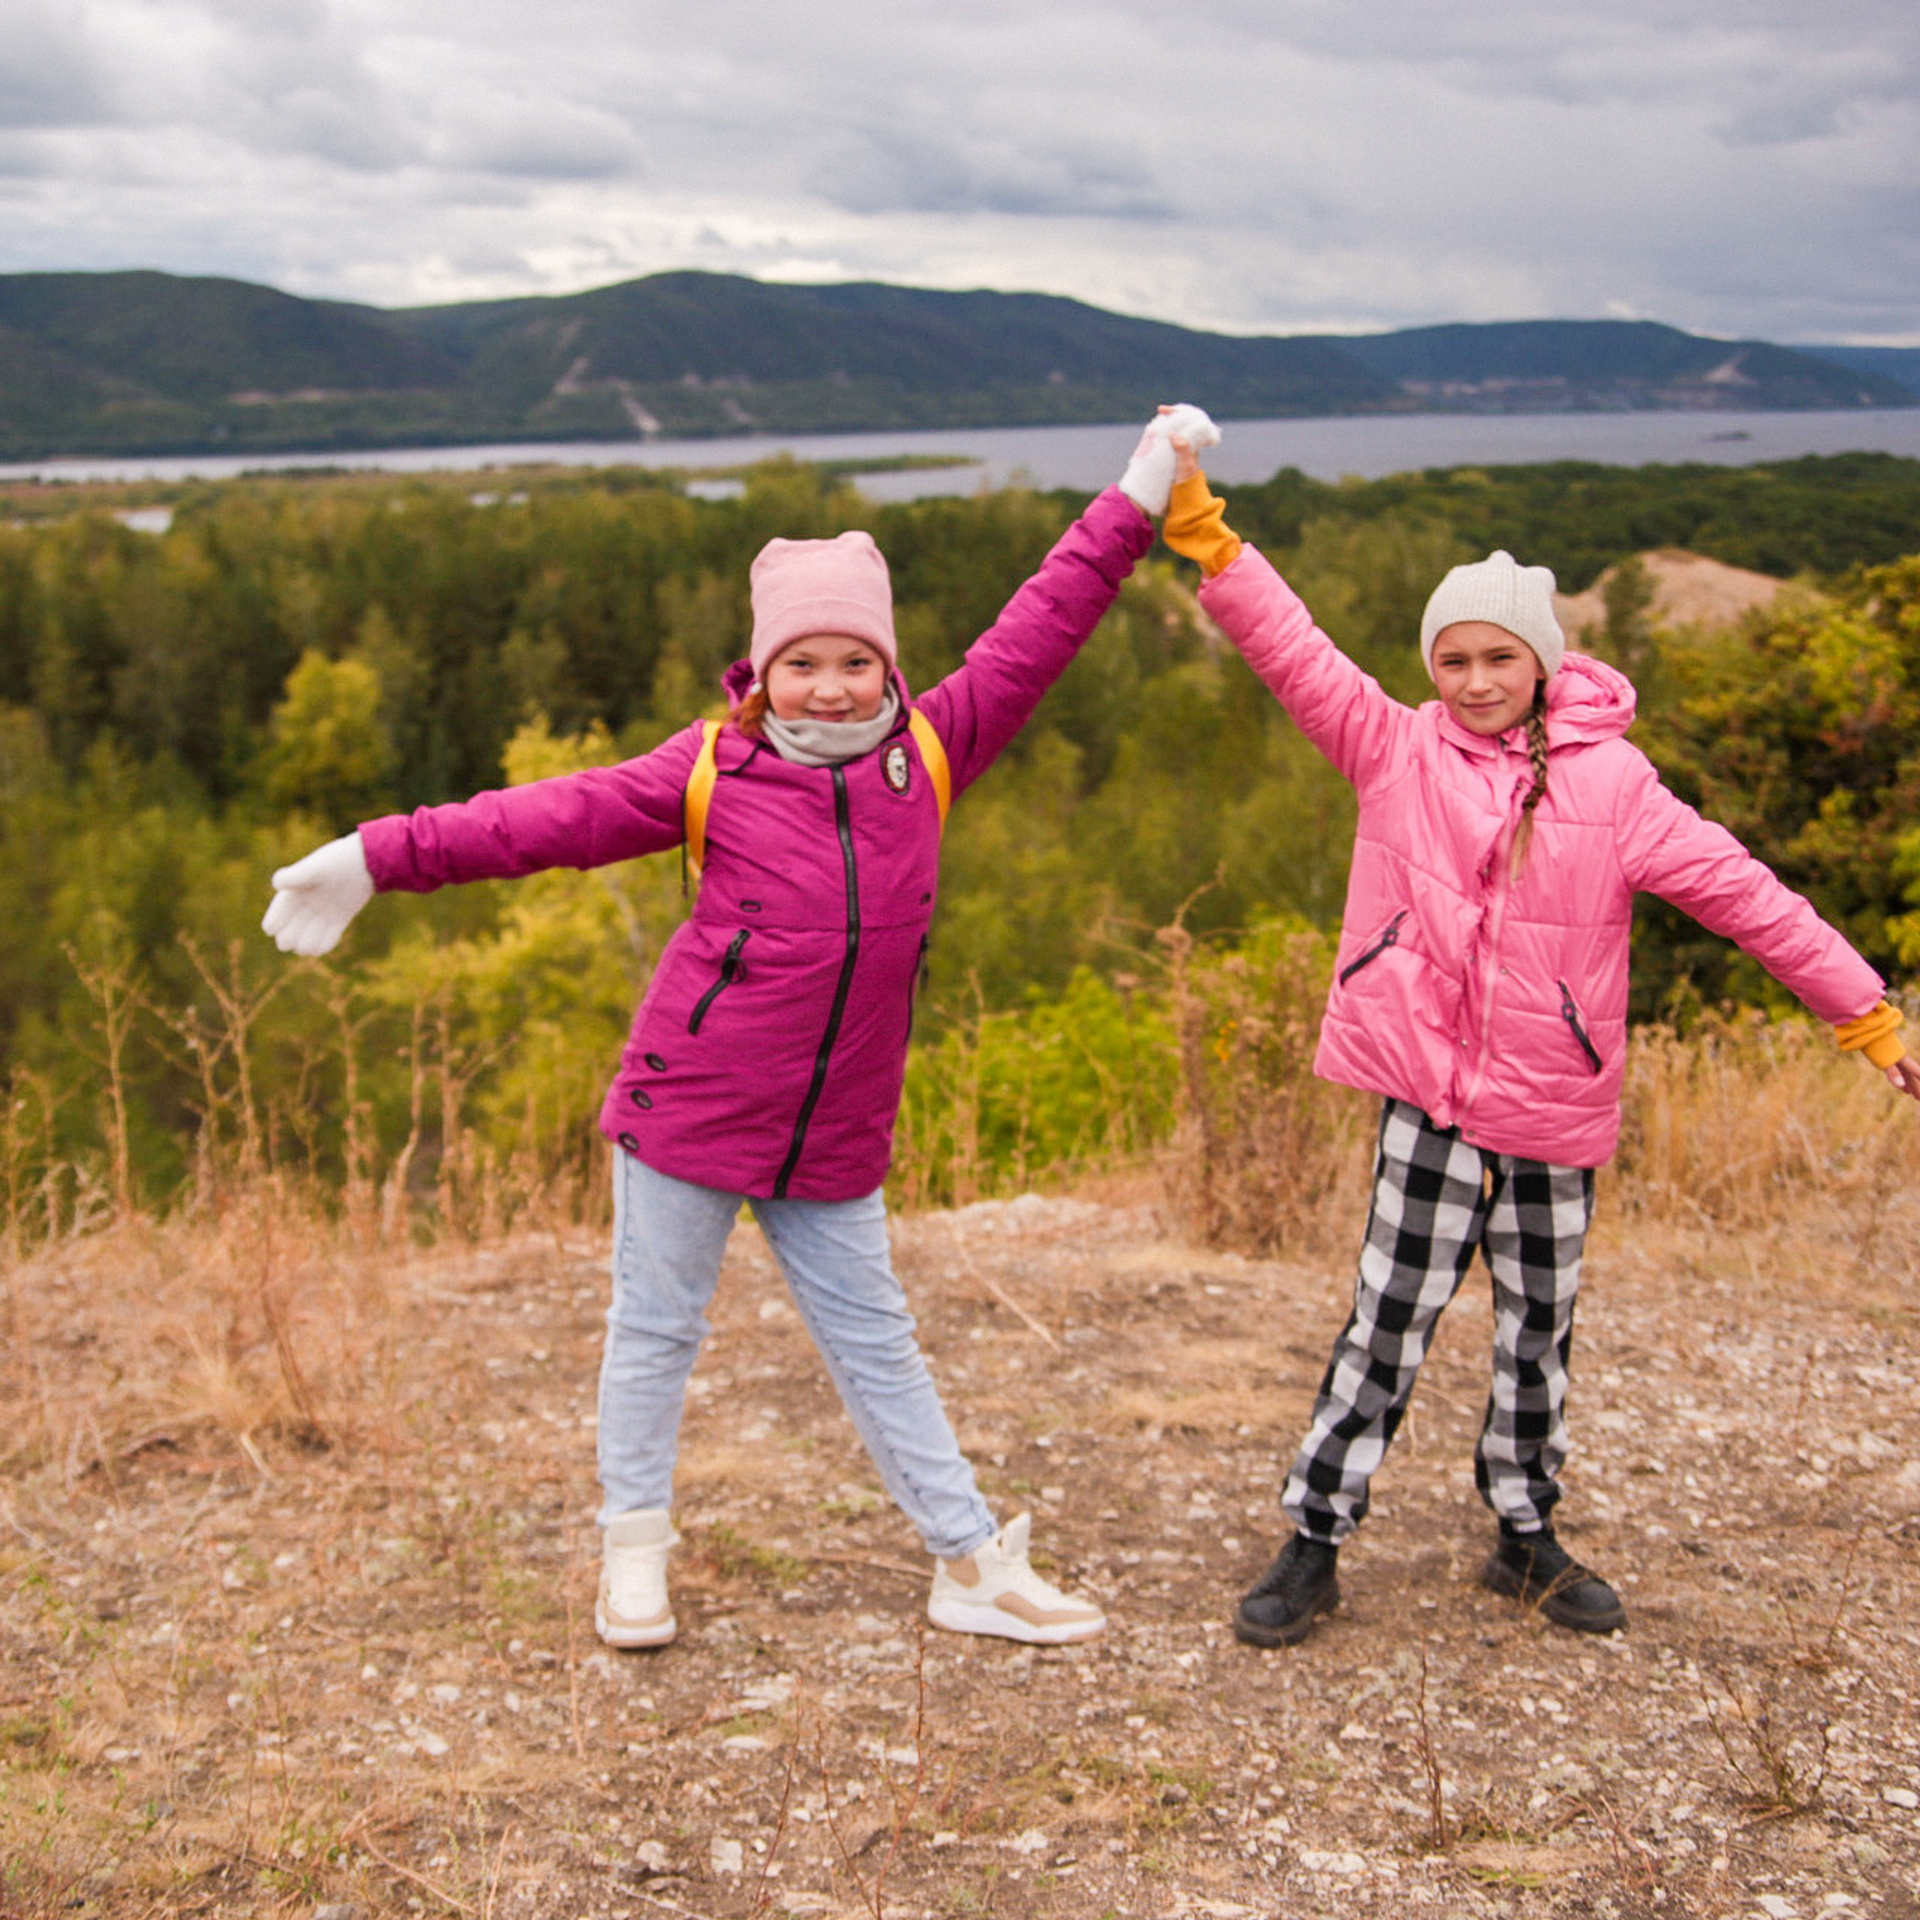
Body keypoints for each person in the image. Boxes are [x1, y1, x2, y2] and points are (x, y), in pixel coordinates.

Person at [261, 407, 1216, 1651]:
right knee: (655, 1333)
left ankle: (968, 1562)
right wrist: (377, 856)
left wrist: (1141, 490)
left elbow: (1051, 609)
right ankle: (635, 1556)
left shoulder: (932, 749)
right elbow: (537, 820)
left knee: (879, 1340)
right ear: (762, 670)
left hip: (836, 1126)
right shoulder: (709, 769)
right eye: (801, 663)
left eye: (854, 661)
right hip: (690, 1103)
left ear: (889, 665)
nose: (829, 686)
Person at [1156, 436, 1920, 1646]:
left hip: (1554, 1108)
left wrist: (1864, 1013)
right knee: (1386, 1320)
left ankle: (1522, 1531)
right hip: (1429, 1102)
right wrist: (1209, 538)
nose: (1470, 679)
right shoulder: (1393, 748)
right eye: (1450, 658)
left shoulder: (1617, 788)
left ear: (1544, 661)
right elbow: (1293, 650)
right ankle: (1315, 1535)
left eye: (1496, 656)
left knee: (1537, 1332)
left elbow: (1748, 895)